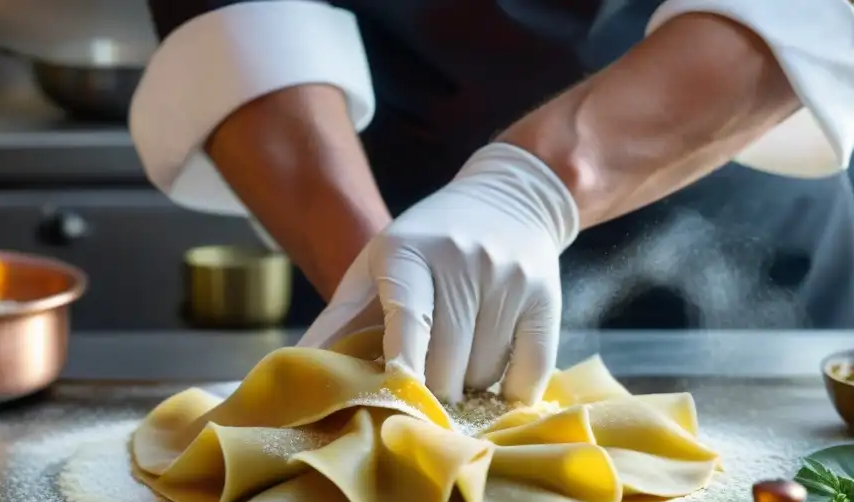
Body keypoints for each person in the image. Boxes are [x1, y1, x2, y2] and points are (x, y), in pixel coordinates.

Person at [130, 0, 854, 405]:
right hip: (372, 183)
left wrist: (528, 190)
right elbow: (240, 15)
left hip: (730, 199)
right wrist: (377, 280)